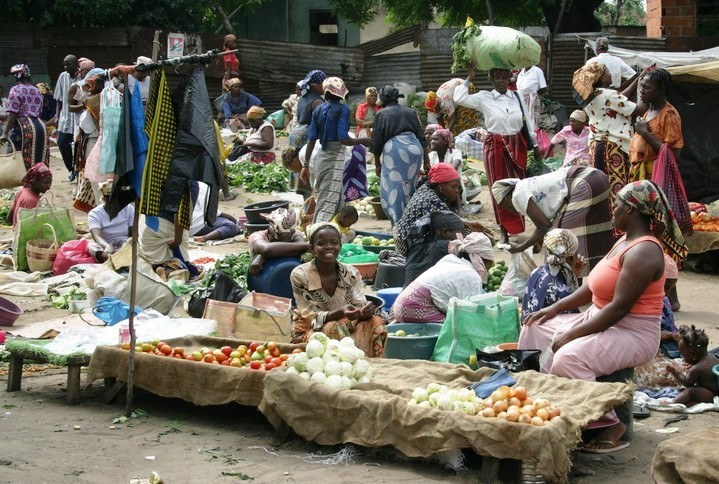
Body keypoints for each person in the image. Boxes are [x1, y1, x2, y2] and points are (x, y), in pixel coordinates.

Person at [519, 180, 689, 453]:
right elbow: (591, 287)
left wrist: (570, 335)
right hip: (601, 317)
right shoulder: (624, 240)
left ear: (632, 210)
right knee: (534, 328)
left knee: (568, 356)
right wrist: (554, 308)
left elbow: (619, 308)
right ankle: (553, 400)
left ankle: (608, 424)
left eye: (618, 205)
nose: (613, 210)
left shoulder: (644, 251)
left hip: (631, 332)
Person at [454, 67, 540, 239]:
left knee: (518, 186)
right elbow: (459, 98)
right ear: (491, 80)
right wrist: (469, 78)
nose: (500, 80)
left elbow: (527, 122)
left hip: (517, 146)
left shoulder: (517, 97)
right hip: (495, 146)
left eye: (503, 76)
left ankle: (518, 225)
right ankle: (503, 230)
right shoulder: (484, 97)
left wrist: (536, 145)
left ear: (509, 78)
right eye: (496, 77)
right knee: (498, 187)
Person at [491, 165, 614, 275]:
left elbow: (544, 227)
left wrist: (520, 248)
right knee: (594, 232)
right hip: (598, 177)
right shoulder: (527, 185)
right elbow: (550, 219)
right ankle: (604, 276)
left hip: (584, 183)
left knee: (558, 240)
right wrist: (536, 242)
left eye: (503, 205)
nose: (508, 210)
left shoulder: (518, 194)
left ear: (507, 198)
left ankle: (564, 287)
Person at [290, 224, 387, 357]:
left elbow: (359, 306)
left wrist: (365, 312)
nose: (328, 246)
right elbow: (310, 316)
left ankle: (374, 364)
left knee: (376, 323)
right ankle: (342, 368)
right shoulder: (301, 275)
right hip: (311, 330)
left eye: (334, 242)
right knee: (334, 327)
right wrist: (341, 312)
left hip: (347, 326)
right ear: (312, 248)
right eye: (321, 243)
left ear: (340, 246)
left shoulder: (351, 273)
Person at [572, 62, 644, 215]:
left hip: (595, 147)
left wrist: (637, 79)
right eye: (608, 73)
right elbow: (638, 110)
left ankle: (604, 226)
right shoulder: (609, 95)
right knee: (617, 189)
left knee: (602, 189)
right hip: (612, 148)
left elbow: (618, 99)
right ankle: (618, 230)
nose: (611, 75)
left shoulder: (591, 96)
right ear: (602, 78)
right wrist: (642, 89)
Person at [301, 77, 371, 223]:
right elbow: (343, 139)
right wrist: (364, 141)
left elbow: (312, 139)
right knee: (328, 202)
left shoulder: (318, 110)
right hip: (334, 157)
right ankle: (319, 231)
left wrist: (306, 164)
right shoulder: (342, 109)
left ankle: (331, 231)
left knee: (326, 196)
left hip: (321, 157)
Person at [393, 232, 494, 324]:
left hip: (399, 306)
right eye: (489, 261)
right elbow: (471, 312)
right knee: (455, 329)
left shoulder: (450, 259)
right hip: (415, 308)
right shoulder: (471, 275)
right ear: (481, 260)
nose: (490, 266)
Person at [394, 163, 490, 256]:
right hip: (407, 245)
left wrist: (468, 224)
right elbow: (448, 221)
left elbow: (446, 215)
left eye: (458, 187)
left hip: (406, 237)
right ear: (440, 185)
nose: (457, 191)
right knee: (464, 238)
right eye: (453, 187)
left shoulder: (426, 188)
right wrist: (468, 227)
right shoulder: (431, 200)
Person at [372, 85, 428, 226]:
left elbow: (377, 142)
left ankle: (399, 222)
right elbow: (421, 137)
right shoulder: (410, 112)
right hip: (415, 149)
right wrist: (427, 161)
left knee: (394, 187)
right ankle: (410, 219)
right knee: (409, 186)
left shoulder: (382, 114)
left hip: (396, 151)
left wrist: (377, 163)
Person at [629, 68, 683, 182]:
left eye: (647, 87)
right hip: (640, 174)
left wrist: (644, 133)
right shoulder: (648, 112)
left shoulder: (669, 114)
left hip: (655, 176)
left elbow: (673, 155)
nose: (641, 91)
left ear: (661, 89)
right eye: (641, 86)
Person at [521, 229, 585, 322]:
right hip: (548, 335)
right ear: (571, 257)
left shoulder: (536, 272)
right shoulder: (563, 292)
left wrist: (574, 274)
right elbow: (574, 324)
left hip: (529, 331)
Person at [0, 64, 50, 169]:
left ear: (17, 76)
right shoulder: (37, 91)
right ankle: (38, 179)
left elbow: (13, 112)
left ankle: (20, 180)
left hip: (23, 128)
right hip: (40, 127)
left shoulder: (15, 90)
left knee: (16, 155)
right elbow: (39, 111)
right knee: (38, 155)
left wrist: (5, 133)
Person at [288, 70, 326, 199]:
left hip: (296, 132)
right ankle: (311, 207)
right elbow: (321, 124)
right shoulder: (317, 102)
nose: (325, 86)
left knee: (302, 170)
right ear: (315, 85)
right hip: (307, 136)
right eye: (323, 84)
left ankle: (307, 206)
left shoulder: (304, 97)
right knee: (310, 170)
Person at [403, 210, 465, 287]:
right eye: (461, 233)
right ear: (445, 232)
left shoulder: (417, 245)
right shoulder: (446, 246)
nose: (463, 237)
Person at [667, 325, 719, 407]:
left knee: (690, 391)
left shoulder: (697, 368)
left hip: (711, 394)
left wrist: (674, 372)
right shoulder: (713, 358)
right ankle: (694, 402)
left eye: (684, 355)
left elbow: (687, 383)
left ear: (693, 354)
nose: (683, 358)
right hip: (715, 391)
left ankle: (673, 403)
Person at [248, 208, 309, 276]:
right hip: (264, 276)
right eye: (280, 236)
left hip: (290, 272)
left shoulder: (295, 233)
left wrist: (263, 256)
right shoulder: (257, 236)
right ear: (271, 228)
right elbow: (267, 249)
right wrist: (266, 254)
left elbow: (302, 247)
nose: (284, 240)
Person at [87, 182, 134, 262]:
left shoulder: (128, 208)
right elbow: (97, 237)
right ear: (105, 198)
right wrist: (107, 246)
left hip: (125, 243)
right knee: (91, 246)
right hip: (106, 244)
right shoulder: (94, 213)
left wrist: (129, 245)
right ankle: (115, 259)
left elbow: (133, 233)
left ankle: (118, 258)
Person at [53, 55, 80, 180]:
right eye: (64, 64)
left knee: (79, 146)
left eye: (68, 64)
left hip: (79, 119)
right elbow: (59, 98)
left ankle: (77, 170)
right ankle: (70, 169)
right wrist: (57, 115)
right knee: (62, 143)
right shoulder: (62, 77)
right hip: (65, 118)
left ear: (75, 64)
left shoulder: (83, 77)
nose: (65, 67)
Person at [428, 127, 467, 210]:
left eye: (435, 139)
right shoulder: (431, 155)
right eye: (431, 139)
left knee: (452, 180)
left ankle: (459, 208)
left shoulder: (456, 153)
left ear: (445, 141)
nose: (432, 142)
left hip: (454, 191)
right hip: (439, 189)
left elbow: (453, 169)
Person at [515, 65, 547, 129]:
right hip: (520, 100)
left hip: (532, 100)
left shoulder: (537, 71)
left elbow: (543, 88)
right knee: (521, 122)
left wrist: (534, 96)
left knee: (532, 123)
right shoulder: (521, 73)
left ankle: (532, 137)